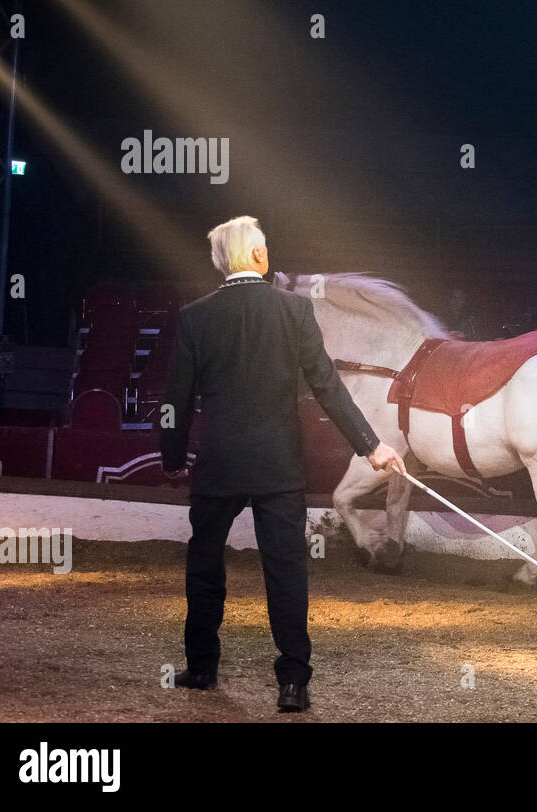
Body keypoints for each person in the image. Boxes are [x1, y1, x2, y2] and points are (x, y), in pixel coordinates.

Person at [160, 216, 406, 713]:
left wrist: (171, 457)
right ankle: (293, 681)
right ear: (253, 256)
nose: (268, 252)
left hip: (220, 463)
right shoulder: (294, 311)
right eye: (264, 246)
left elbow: (176, 401)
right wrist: (371, 445)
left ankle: (202, 667)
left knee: (205, 565)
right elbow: (328, 388)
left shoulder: (195, 317)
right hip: (277, 465)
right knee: (286, 572)